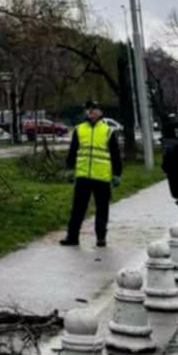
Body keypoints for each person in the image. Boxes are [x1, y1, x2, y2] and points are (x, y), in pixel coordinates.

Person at [60, 99, 123, 248]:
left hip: (102, 177)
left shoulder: (108, 131)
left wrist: (117, 174)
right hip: (83, 176)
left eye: (94, 109)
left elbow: (115, 154)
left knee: (102, 209)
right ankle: (72, 236)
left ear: (100, 112)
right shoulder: (79, 129)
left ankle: (101, 237)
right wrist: (70, 169)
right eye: (89, 110)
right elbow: (73, 151)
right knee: (78, 208)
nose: (91, 112)